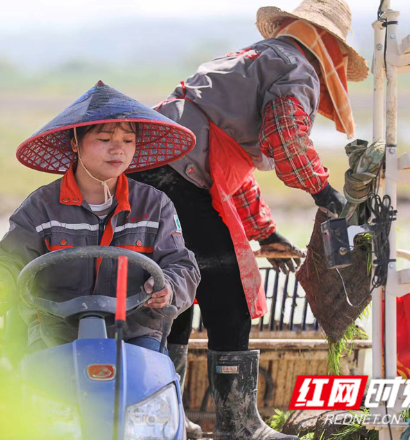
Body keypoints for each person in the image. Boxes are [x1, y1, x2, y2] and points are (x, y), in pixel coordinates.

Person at [130, 1, 369, 438]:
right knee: (229, 293)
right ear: (330, 47)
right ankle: (239, 426)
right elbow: (286, 138)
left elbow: (229, 163)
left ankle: (168, 417)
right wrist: (325, 192)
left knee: (177, 289)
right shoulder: (297, 67)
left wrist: (266, 233)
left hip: (149, 172)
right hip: (178, 179)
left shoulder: (252, 58)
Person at [0, 80, 200, 354]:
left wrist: (169, 287)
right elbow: (9, 260)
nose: (118, 149)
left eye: (128, 141)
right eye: (105, 140)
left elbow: (182, 265)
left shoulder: (155, 205)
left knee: (150, 388)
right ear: (74, 144)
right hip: (55, 333)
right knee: (40, 386)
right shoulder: (41, 206)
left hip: (134, 334)